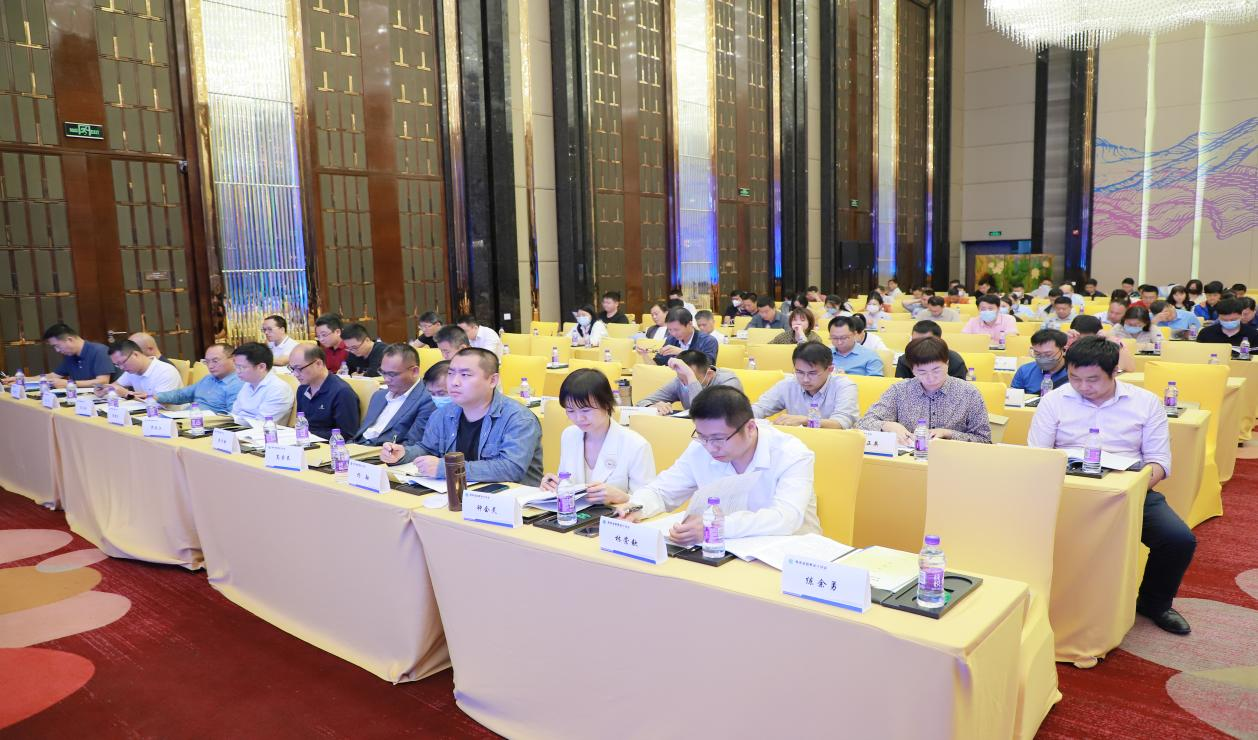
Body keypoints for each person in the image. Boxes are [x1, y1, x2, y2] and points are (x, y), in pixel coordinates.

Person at [1027, 336, 1195, 634]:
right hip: (1066, 491)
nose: (1082, 386)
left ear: (1114, 371)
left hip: (1128, 491)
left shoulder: (1145, 403)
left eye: (1092, 380)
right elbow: (1038, 455)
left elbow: (1158, 463)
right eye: (1075, 378)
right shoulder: (1054, 400)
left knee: (1178, 540)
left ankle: (1155, 603)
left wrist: (1132, 487)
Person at [606, 385, 820, 543]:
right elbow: (662, 491)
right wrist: (636, 507)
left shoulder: (792, 454)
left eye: (718, 438)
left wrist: (716, 526)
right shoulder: (700, 448)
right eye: (702, 436)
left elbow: (786, 518)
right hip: (721, 552)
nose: (710, 447)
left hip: (786, 552)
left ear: (750, 428)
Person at [379, 348, 543, 485]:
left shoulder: (519, 418)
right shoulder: (442, 414)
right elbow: (428, 449)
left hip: (511, 501)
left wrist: (448, 468)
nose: (454, 382)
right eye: (451, 374)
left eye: (465, 375)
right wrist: (403, 454)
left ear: (492, 380)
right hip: (458, 493)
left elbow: (511, 469)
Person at [540, 369, 655, 502]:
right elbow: (567, 483)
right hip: (576, 513)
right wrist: (554, 485)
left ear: (606, 404)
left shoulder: (636, 445)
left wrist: (622, 497)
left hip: (616, 514)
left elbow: (647, 501)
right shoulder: (569, 435)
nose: (579, 418)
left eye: (586, 410)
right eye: (570, 411)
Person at [857, 336, 991, 444]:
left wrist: (948, 434)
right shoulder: (899, 391)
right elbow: (863, 423)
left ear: (947, 363)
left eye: (936, 370)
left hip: (953, 460)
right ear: (912, 370)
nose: (930, 378)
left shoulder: (968, 393)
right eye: (922, 372)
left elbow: (984, 439)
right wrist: (887, 425)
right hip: (908, 460)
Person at [751, 342, 858, 429]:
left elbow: (841, 423)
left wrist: (806, 421)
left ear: (830, 369)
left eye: (812, 373)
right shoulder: (788, 384)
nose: (805, 379)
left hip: (833, 442)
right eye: (799, 372)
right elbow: (760, 407)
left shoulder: (844, 386)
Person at [352, 343, 436, 446]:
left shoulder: (428, 400)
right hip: (357, 448)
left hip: (385, 452)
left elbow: (412, 444)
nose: (386, 379)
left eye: (392, 374)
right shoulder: (378, 396)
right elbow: (360, 434)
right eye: (383, 372)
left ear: (414, 371)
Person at [7, 323, 113, 388]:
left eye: (57, 346)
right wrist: (24, 380)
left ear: (70, 340)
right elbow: (53, 376)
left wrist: (70, 384)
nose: (57, 350)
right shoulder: (70, 355)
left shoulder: (99, 351)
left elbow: (103, 382)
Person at [289, 343, 361, 439]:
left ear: (318, 364)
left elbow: (347, 434)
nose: (295, 374)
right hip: (306, 442)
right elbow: (302, 422)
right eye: (292, 369)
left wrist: (308, 434)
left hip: (329, 445)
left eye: (299, 368)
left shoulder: (342, 392)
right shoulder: (302, 389)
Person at [638, 350, 743, 414]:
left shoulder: (729, 382)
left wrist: (690, 376)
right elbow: (641, 403)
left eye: (691, 377)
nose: (685, 384)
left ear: (710, 374)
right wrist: (651, 407)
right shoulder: (680, 380)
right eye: (683, 379)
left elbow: (703, 414)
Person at [152, 343, 242, 414]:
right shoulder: (208, 379)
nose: (210, 366)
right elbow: (181, 395)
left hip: (207, 426)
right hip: (188, 418)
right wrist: (154, 397)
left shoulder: (237, 384)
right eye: (207, 362)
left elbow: (234, 417)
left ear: (233, 359)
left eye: (215, 361)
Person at [229, 342, 295, 425]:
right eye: (236, 366)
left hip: (260, 431)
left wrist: (235, 421)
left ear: (261, 367)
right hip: (239, 428)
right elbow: (234, 414)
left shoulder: (278, 389)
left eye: (242, 367)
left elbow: (262, 424)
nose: (237, 371)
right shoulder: (248, 383)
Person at [94, 339, 181, 400]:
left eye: (122, 362)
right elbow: (116, 385)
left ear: (135, 354)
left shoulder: (165, 371)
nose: (121, 368)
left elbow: (161, 403)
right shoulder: (132, 371)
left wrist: (126, 394)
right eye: (117, 365)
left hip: (171, 416)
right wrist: (104, 389)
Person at [894, 321, 968, 380]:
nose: (918, 345)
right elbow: (900, 387)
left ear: (938, 340)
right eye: (914, 341)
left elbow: (960, 389)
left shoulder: (955, 361)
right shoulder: (904, 360)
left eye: (924, 341)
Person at [1068, 315, 1136, 373]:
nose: (1085, 343)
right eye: (1081, 339)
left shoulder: (1110, 345)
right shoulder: (1067, 342)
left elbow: (1130, 369)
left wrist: (1114, 343)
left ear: (1098, 335)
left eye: (1089, 339)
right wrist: (1067, 342)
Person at [651, 307, 718, 365]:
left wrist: (682, 353)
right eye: (670, 330)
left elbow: (708, 364)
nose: (673, 333)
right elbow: (657, 363)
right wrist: (645, 356)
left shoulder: (708, 340)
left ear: (690, 324)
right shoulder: (671, 339)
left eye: (676, 329)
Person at [1010, 329, 1068, 395]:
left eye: (1048, 354)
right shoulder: (1024, 371)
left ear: (1064, 350)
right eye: (1037, 354)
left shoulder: (1074, 373)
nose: (1043, 359)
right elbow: (1014, 398)